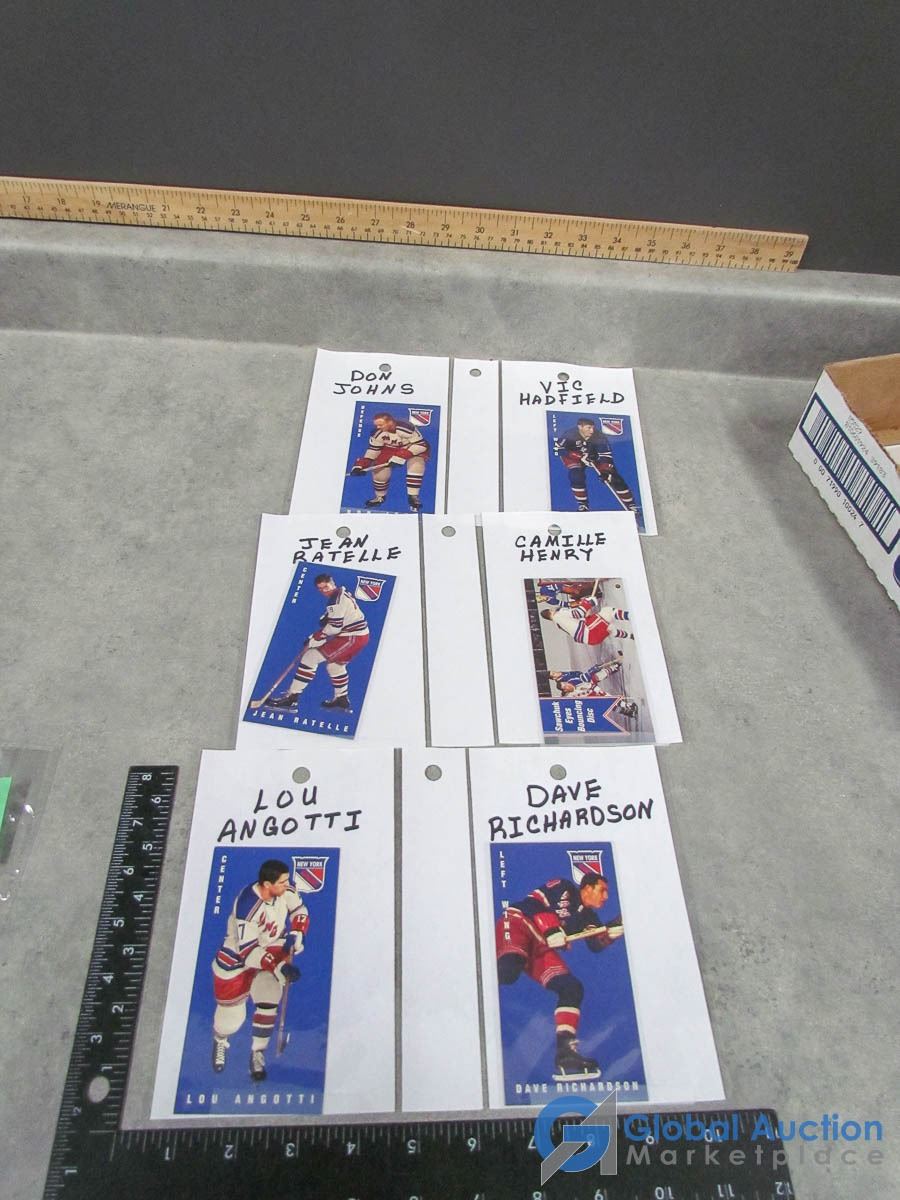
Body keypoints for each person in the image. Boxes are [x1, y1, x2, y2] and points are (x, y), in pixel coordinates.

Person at [496, 870, 624, 1081]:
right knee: (509, 970)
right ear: (587, 887)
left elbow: (595, 944)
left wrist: (611, 934)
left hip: (540, 946)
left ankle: (565, 1053)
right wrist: (551, 928)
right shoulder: (564, 887)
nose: (606, 897)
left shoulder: (589, 916)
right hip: (519, 923)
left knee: (571, 988)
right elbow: (532, 903)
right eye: (602, 890)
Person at [211, 859, 309, 1083]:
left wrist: (298, 932)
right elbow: (249, 951)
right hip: (239, 956)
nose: (287, 885)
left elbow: (299, 910)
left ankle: (257, 1051)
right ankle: (221, 1038)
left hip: (270, 945)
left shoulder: (283, 890)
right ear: (267, 884)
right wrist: (279, 966)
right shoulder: (248, 905)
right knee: (231, 1018)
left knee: (269, 994)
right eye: (282, 882)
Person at [269, 574, 369, 712]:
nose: (324, 591)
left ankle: (291, 698)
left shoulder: (335, 601)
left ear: (332, 583)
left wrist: (317, 637)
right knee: (334, 666)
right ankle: (341, 700)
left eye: (326, 587)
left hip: (352, 636)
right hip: (358, 636)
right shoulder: (340, 593)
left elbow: (334, 628)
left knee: (310, 657)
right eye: (320, 589)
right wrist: (320, 630)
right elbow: (336, 618)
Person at [554, 417, 639, 519]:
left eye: (593, 428)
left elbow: (606, 456)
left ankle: (631, 506)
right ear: (580, 427)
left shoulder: (599, 437)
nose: (592, 431)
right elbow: (559, 449)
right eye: (589, 428)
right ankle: (583, 505)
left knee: (614, 478)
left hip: (594, 457)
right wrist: (579, 456)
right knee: (576, 476)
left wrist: (605, 471)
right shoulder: (569, 434)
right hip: (574, 458)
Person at [349, 411, 430, 511]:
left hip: (412, 447)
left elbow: (421, 445)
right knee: (379, 472)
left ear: (390, 422)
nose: (378, 427)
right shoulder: (377, 433)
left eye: (380, 424)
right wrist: (360, 466)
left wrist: (401, 456)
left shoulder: (406, 428)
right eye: (376, 425)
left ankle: (413, 496)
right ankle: (380, 497)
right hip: (390, 450)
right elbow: (373, 451)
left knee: (417, 465)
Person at [540, 596, 632, 647]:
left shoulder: (558, 624)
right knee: (608, 612)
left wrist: (587, 613)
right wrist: (588, 603)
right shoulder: (558, 614)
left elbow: (578, 622)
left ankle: (629, 635)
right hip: (590, 632)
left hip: (591, 639)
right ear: (550, 611)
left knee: (609, 628)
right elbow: (577, 613)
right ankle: (632, 617)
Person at [550, 660, 621, 696]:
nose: (556, 673)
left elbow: (581, 676)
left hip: (588, 683)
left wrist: (592, 671)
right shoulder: (568, 692)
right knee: (601, 698)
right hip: (587, 691)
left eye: (554, 672)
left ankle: (614, 668)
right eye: (554, 674)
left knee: (597, 676)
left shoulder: (569, 679)